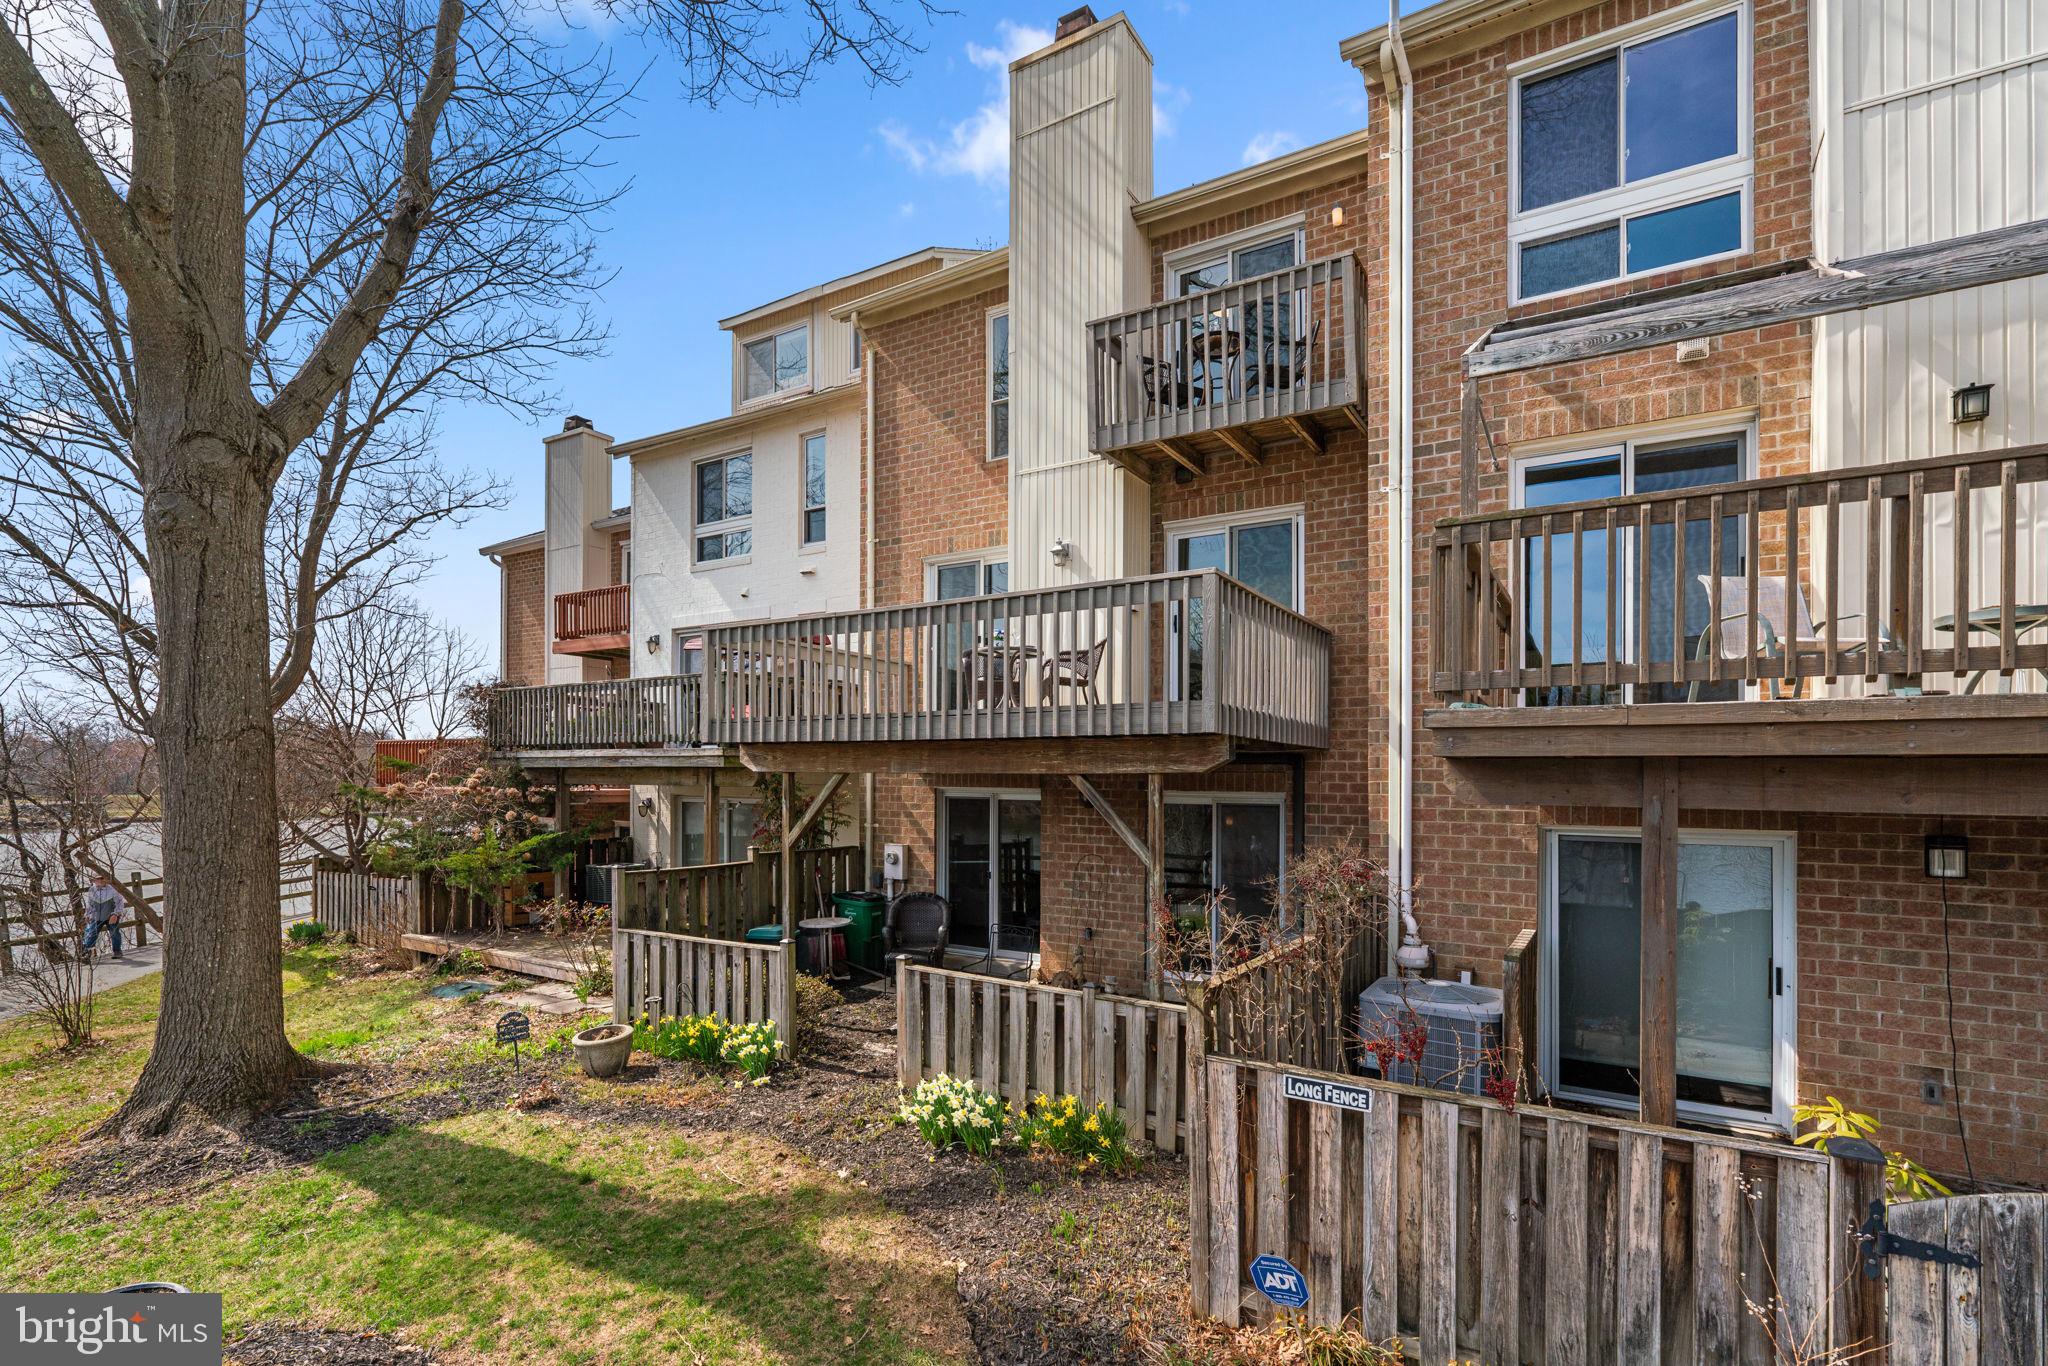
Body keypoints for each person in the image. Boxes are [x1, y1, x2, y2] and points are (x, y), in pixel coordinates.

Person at [82, 873, 125, 960]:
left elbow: (120, 902)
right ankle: (86, 953)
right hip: (96, 916)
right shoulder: (92, 890)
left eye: (102, 878)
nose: (100, 880)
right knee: (91, 933)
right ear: (94, 880)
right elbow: (90, 904)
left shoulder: (113, 889)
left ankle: (117, 951)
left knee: (115, 933)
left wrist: (116, 914)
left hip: (111, 915)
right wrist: (87, 914)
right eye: (98, 879)